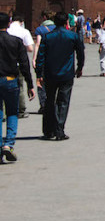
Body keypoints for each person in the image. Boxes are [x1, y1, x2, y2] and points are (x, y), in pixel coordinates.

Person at [35, 12, 85, 141]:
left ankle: (48, 131)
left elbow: (41, 57)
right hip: (66, 74)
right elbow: (80, 53)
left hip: (50, 74)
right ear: (66, 23)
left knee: (49, 101)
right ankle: (59, 130)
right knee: (63, 102)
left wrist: (39, 74)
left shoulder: (47, 37)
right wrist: (80, 68)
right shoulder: (72, 36)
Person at [0, 13, 35, 162]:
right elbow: (24, 63)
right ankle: (8, 144)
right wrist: (30, 84)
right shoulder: (16, 41)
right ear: (9, 24)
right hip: (10, 80)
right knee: (12, 112)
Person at [8, 15, 35, 118]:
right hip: (18, 63)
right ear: (21, 21)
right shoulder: (24, 31)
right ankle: (21, 110)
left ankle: (5, 111)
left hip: (5, 63)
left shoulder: (6, 30)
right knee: (19, 87)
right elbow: (30, 49)